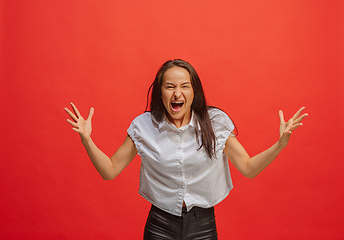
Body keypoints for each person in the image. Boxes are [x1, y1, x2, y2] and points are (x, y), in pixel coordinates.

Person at [64, 59, 308, 239]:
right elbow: (110, 170)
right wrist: (87, 140)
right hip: (159, 224)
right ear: (160, 92)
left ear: (194, 92)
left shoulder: (215, 123)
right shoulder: (143, 127)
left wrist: (280, 144)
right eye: (169, 86)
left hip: (203, 225)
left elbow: (248, 167)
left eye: (184, 86)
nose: (177, 93)